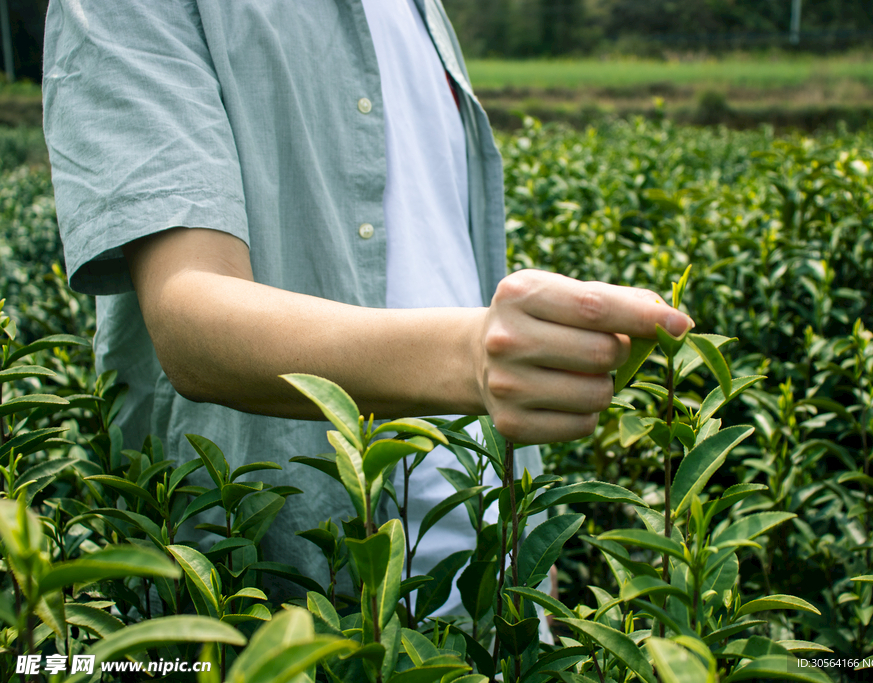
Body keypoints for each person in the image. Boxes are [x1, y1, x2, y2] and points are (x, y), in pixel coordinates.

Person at [42, 0, 694, 604]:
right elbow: (189, 321)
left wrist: (523, 522)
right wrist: (473, 356)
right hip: (301, 593)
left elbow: (447, 262)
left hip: (493, 589)